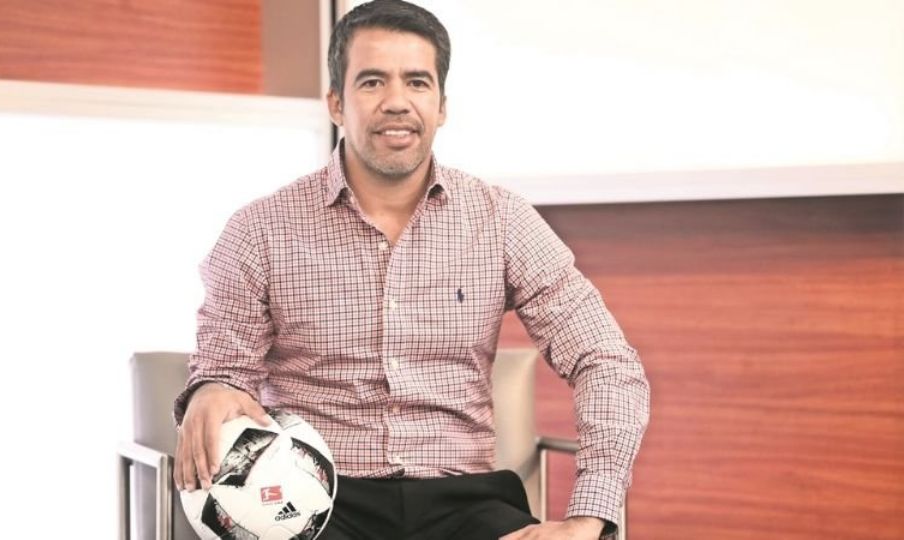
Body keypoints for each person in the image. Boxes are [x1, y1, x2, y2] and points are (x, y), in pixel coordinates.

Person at [172, 1, 650, 539]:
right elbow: (225, 371)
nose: (397, 101)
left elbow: (606, 360)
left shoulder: (502, 220)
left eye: (417, 82)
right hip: (318, 502)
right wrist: (212, 389)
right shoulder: (259, 229)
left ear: (441, 105)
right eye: (372, 81)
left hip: (466, 504)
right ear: (336, 102)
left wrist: (590, 515)